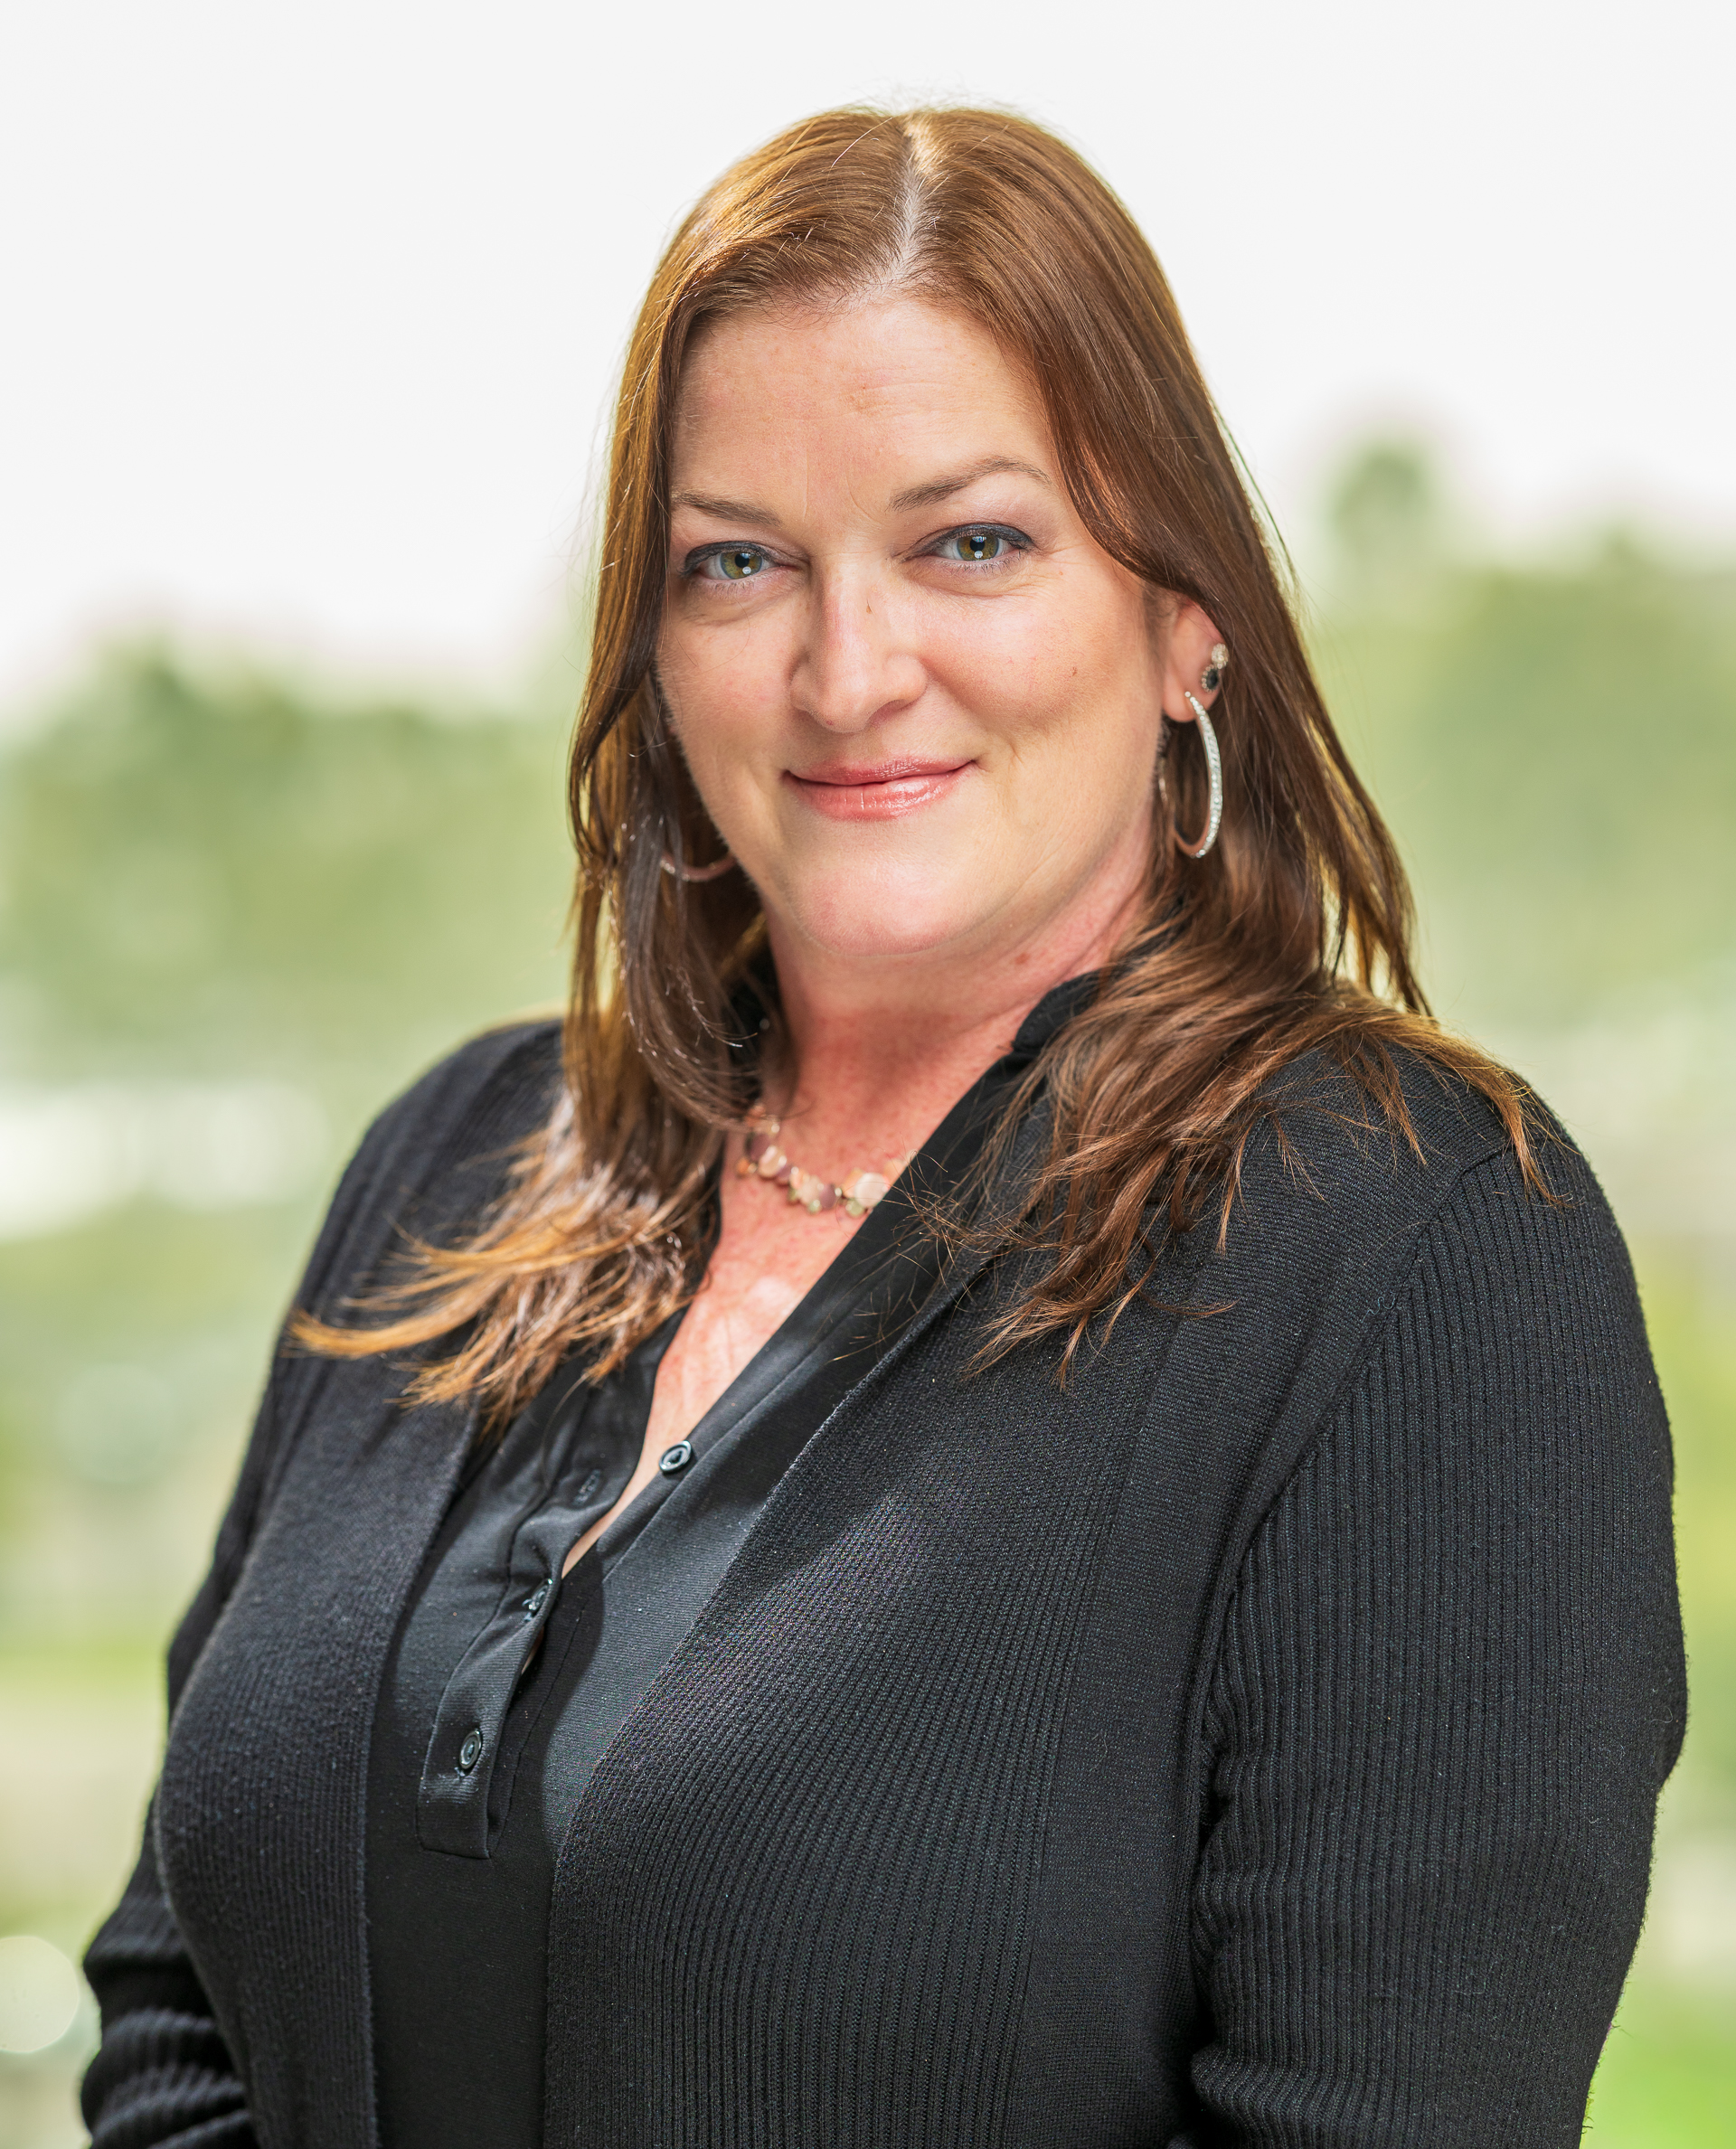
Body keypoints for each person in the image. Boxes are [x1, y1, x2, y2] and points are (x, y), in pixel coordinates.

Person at [80, 107, 1684, 2149]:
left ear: (1187, 616)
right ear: (653, 662)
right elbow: (177, 1996)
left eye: (972, 542)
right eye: (738, 562)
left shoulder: (1423, 1253)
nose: (850, 669)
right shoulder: (459, 1158)